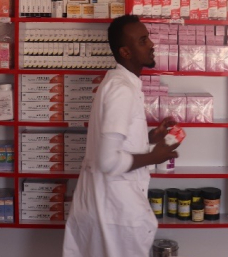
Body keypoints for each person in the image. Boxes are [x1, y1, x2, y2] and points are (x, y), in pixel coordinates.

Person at [63, 15, 181, 257]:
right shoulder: (122, 91)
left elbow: (113, 141)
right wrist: (153, 156)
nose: (151, 44)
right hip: (114, 211)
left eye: (147, 37)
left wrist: (150, 137)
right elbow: (108, 161)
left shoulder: (120, 83)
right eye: (142, 40)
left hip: (108, 206)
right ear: (126, 52)